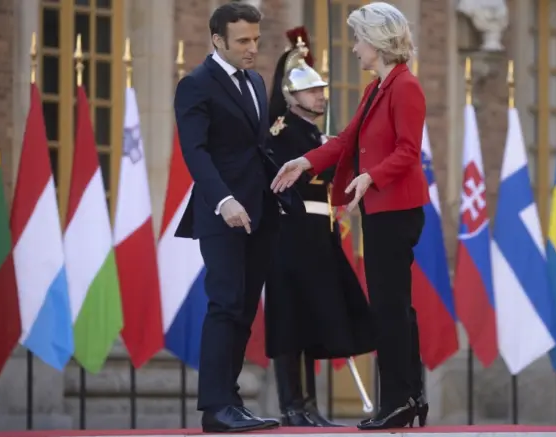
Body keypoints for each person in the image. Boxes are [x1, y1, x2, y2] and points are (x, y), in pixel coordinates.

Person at [270, 2, 429, 431]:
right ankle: (409, 396)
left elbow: (408, 151)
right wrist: (305, 162)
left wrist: (370, 177)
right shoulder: (375, 89)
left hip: (396, 209)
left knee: (389, 308)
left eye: (359, 39)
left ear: (377, 41)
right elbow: (344, 141)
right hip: (379, 208)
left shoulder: (405, 87)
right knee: (392, 307)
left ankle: (399, 400)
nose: (355, 48)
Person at [173, 3, 303, 433]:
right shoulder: (195, 85)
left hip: (260, 212)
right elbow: (196, 152)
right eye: (243, 41)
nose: (252, 48)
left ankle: (231, 401)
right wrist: (224, 200)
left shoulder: (254, 80)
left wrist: (283, 185)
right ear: (217, 41)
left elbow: (255, 148)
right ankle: (214, 407)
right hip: (222, 213)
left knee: (246, 309)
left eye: (256, 39)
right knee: (225, 303)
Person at [264, 27, 376, 427]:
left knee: (315, 318)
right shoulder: (280, 134)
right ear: (291, 96)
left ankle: (309, 405)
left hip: (319, 238)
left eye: (320, 90)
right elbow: (278, 185)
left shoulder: (315, 135)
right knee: (289, 323)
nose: (320, 96)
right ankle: (292, 405)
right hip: (289, 239)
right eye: (311, 91)